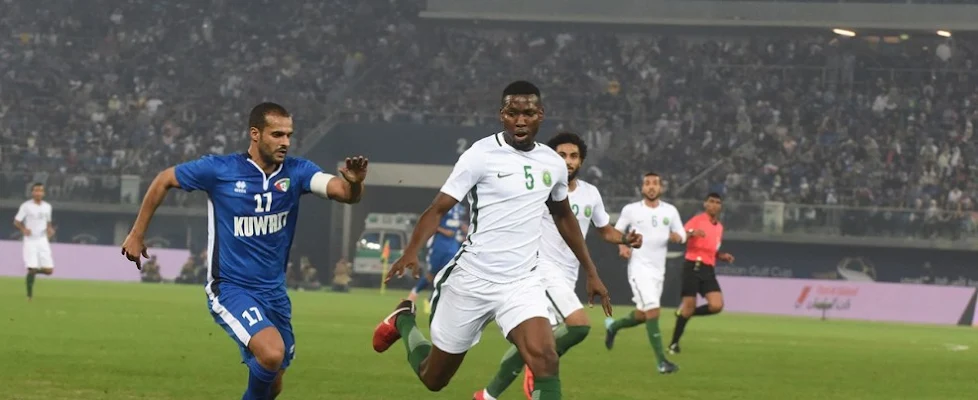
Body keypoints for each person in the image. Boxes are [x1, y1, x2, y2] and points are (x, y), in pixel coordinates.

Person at [372, 81, 613, 400]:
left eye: (528, 113)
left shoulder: (552, 163)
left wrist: (591, 271)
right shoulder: (480, 155)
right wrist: (411, 251)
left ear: (540, 115)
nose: (520, 120)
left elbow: (563, 215)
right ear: (502, 115)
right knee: (434, 378)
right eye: (513, 113)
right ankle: (403, 319)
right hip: (471, 280)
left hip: (521, 282)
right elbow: (439, 208)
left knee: (546, 360)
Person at [120, 102, 368, 400]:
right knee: (271, 354)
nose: (285, 142)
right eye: (277, 134)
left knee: (274, 383)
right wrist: (137, 233)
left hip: (274, 292)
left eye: (289, 135)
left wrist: (355, 184)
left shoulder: (298, 171)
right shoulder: (220, 170)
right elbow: (165, 179)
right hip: (231, 287)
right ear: (255, 134)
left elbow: (343, 193)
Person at [475, 132, 642, 400]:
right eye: (561, 155)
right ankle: (540, 368)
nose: (568, 161)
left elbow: (604, 230)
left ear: (581, 161)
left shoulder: (590, 193)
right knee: (578, 325)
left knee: (535, 343)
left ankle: (487, 395)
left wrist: (625, 239)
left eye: (574, 156)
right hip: (539, 269)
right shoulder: (538, 188)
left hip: (566, 275)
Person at [604, 173, 684, 374]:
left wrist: (678, 237)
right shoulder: (631, 210)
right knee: (653, 310)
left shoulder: (670, 211)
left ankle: (613, 327)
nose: (651, 187)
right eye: (647, 183)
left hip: (658, 270)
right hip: (639, 268)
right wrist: (623, 246)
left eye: (655, 183)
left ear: (661, 188)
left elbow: (682, 234)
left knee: (642, 315)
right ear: (642, 188)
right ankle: (662, 362)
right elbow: (617, 232)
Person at [669, 192, 735, 354]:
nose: (714, 205)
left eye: (717, 202)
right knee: (689, 306)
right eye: (711, 201)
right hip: (692, 266)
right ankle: (673, 344)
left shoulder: (719, 227)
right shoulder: (697, 220)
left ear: (720, 206)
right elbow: (678, 237)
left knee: (717, 305)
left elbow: (712, 249)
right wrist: (692, 233)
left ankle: (684, 314)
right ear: (705, 204)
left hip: (708, 269)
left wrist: (721, 256)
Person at [408, 202, 465, 314]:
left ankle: (432, 300)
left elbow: (457, 224)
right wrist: (443, 231)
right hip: (438, 246)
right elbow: (431, 223)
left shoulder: (460, 209)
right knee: (431, 274)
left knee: (448, 275)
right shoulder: (444, 205)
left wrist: (464, 230)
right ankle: (414, 293)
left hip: (452, 247)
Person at [14, 183, 56, 302]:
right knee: (32, 268)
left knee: (49, 271)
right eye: (36, 191)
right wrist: (23, 229)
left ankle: (32, 272)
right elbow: (17, 221)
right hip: (30, 240)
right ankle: (29, 296)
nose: (38, 193)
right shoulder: (26, 206)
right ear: (32, 192)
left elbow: (48, 222)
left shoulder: (47, 207)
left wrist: (50, 229)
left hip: (42, 240)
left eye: (40, 191)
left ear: (44, 193)